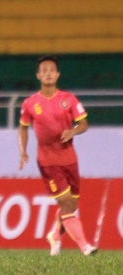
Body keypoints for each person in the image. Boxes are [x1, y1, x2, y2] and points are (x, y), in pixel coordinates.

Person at [18, 56, 97, 256]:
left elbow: (84, 124)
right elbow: (23, 127)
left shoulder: (69, 99)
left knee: (71, 204)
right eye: (43, 70)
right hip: (48, 162)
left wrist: (73, 131)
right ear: (38, 75)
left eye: (51, 70)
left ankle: (55, 234)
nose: (47, 73)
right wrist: (23, 151)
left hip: (70, 159)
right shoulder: (30, 103)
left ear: (58, 74)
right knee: (66, 204)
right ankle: (85, 246)